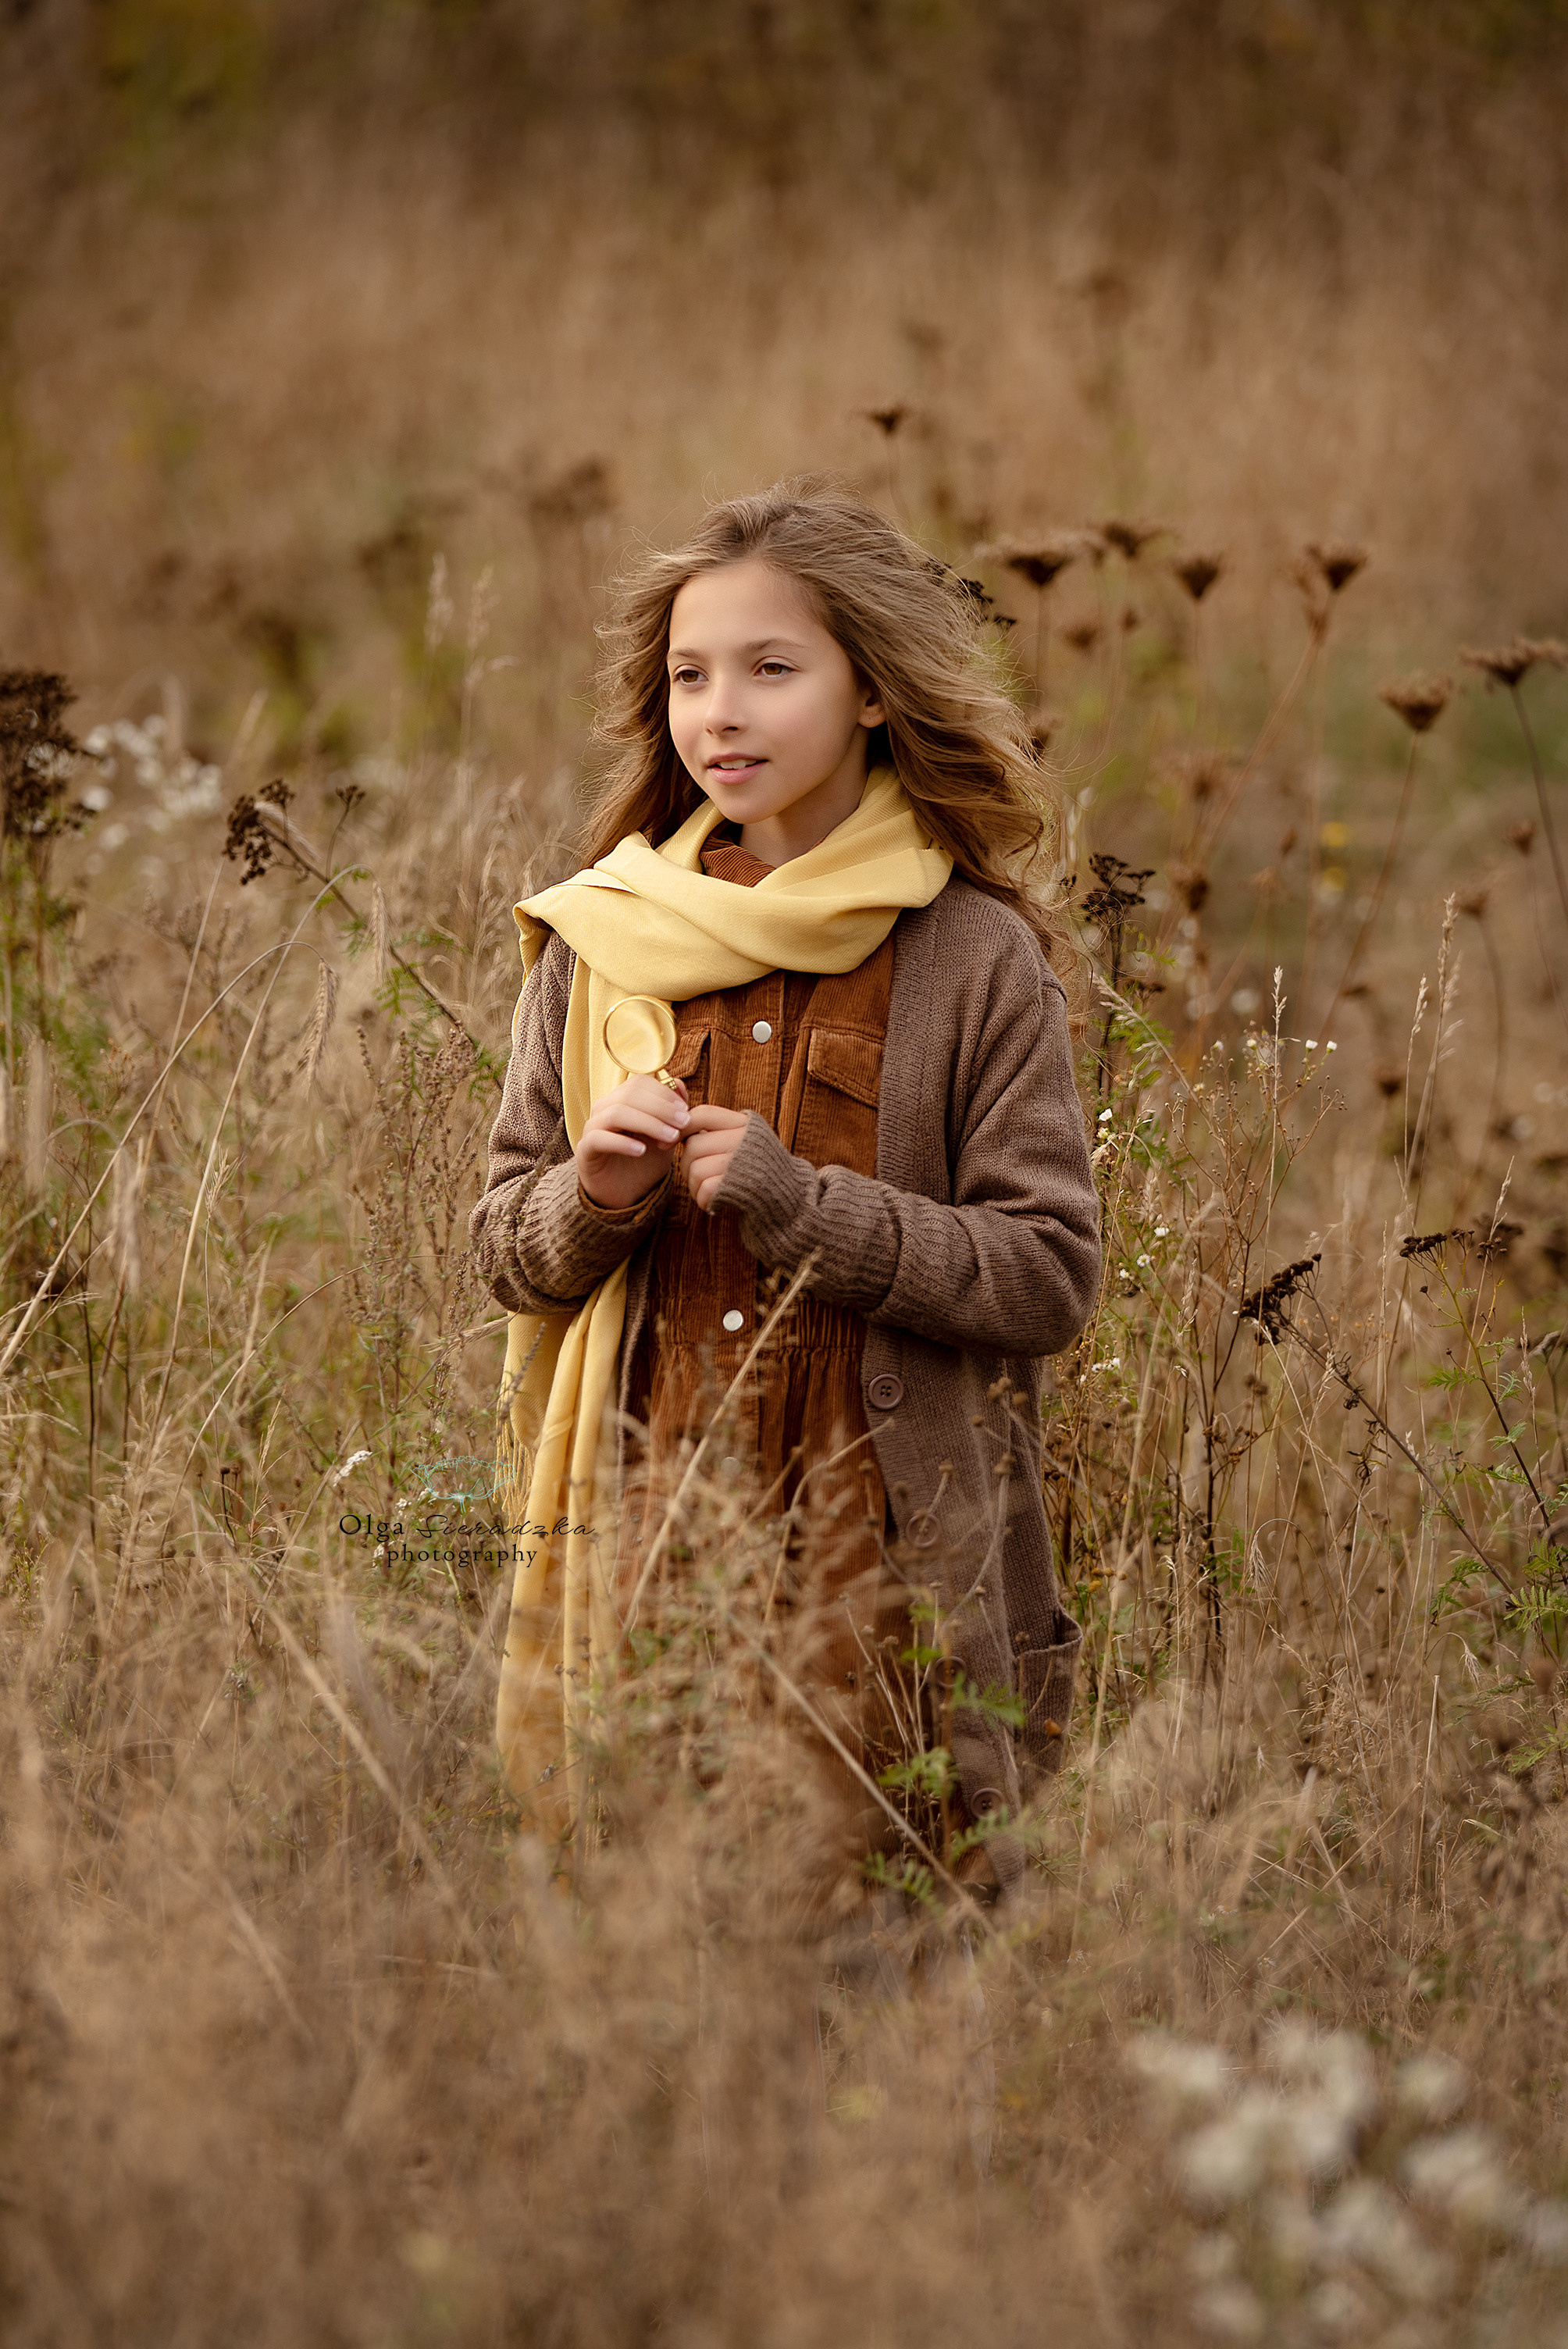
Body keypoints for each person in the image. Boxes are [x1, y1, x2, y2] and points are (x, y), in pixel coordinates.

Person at [469, 479, 1101, 1909]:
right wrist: (595, 1193)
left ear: (874, 693)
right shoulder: (604, 937)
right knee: (658, 1945)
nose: (721, 713)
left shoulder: (973, 956)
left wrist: (805, 1208)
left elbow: (1048, 1275)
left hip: (889, 1553)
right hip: (645, 1535)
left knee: (894, 1948)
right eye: (692, 676)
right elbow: (506, 1249)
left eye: (772, 669)